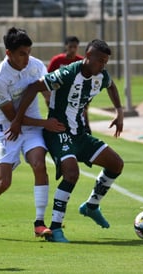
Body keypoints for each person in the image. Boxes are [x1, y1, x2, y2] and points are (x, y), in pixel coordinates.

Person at [8, 39, 124, 243]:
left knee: (116, 164)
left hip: (79, 134)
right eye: (100, 61)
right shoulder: (68, 73)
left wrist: (119, 111)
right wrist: (17, 120)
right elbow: (34, 88)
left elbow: (111, 86)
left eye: (106, 62)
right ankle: (55, 228)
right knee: (71, 173)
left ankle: (91, 206)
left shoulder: (101, 75)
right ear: (88, 57)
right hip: (58, 132)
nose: (103, 66)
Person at [0, 27, 65, 239]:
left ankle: (39, 223)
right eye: (22, 53)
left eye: (29, 52)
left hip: (31, 127)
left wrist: (53, 109)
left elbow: (46, 94)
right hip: (6, 128)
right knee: (3, 183)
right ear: (8, 53)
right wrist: (45, 123)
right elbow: (13, 117)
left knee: (39, 164)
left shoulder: (36, 66)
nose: (27, 58)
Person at [47, 36, 92, 134]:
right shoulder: (57, 61)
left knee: (82, 117)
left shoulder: (81, 62)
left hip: (76, 96)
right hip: (60, 96)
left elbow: (88, 80)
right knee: (59, 123)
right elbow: (48, 78)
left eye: (75, 47)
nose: (72, 49)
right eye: (70, 46)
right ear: (66, 46)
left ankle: (86, 133)